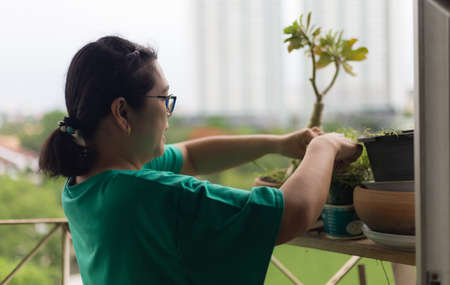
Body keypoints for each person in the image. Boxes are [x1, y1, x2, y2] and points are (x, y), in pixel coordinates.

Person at [39, 36, 362, 285]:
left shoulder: (85, 186)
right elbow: (292, 213)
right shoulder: (151, 195)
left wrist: (278, 143)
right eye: (164, 98)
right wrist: (325, 147)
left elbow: (192, 155)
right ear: (123, 112)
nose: (168, 111)